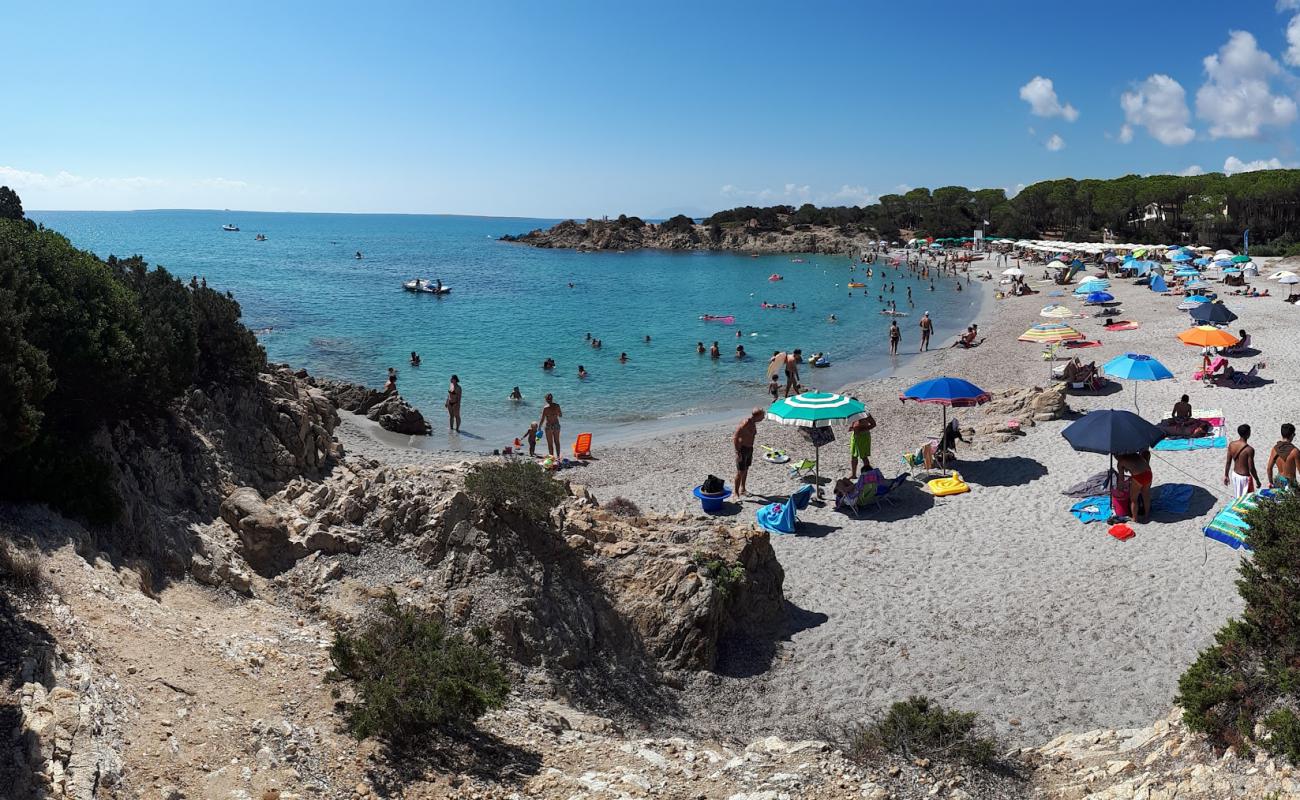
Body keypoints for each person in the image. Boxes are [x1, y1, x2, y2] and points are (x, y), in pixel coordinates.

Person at [733, 408, 764, 497]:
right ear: (757, 416)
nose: (764, 417)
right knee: (740, 472)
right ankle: (736, 493)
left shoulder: (753, 423)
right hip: (742, 450)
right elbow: (735, 437)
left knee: (746, 469)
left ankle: (743, 489)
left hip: (749, 449)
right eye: (762, 416)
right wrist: (737, 452)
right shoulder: (745, 423)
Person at [1225, 424, 1260, 498]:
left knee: (1238, 497)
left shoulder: (1231, 444)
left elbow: (1228, 462)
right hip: (1245, 478)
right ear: (1248, 434)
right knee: (1247, 500)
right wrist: (1257, 480)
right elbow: (1251, 468)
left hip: (1235, 475)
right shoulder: (1249, 450)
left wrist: (1226, 475)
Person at [1116, 451, 1153, 523]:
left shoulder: (1121, 462)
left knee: (1133, 499)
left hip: (1139, 477)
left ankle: (1134, 518)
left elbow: (1121, 479)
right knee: (1146, 496)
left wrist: (1120, 490)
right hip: (1148, 473)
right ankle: (1147, 515)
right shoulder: (1135, 454)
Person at [1267, 423, 1298, 489]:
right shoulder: (1295, 451)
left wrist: (1271, 483)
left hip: (1278, 481)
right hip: (1290, 484)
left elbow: (1269, 468)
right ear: (1292, 435)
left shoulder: (1275, 449)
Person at [848, 412, 877, 477]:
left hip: (863, 436)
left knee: (864, 457)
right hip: (855, 436)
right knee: (853, 456)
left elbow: (873, 424)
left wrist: (862, 429)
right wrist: (852, 427)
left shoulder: (864, 413)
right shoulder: (853, 413)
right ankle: (853, 474)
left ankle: (869, 474)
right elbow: (854, 423)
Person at [538, 393, 562, 458]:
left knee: (550, 443)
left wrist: (539, 427)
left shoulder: (545, 408)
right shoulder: (557, 406)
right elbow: (560, 415)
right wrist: (555, 413)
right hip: (556, 425)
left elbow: (542, 419)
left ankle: (551, 458)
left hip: (549, 426)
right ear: (552, 398)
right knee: (557, 442)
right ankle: (558, 457)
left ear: (546, 399)